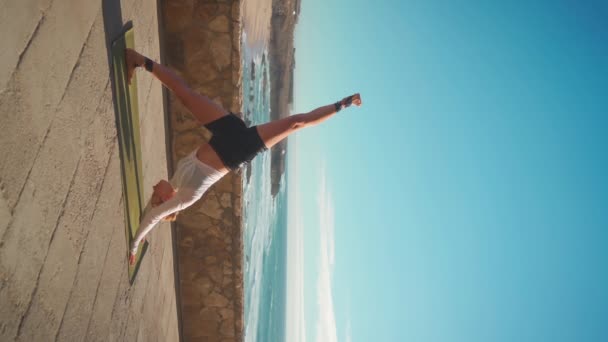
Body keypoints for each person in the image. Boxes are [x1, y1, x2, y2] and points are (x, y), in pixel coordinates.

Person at [125, 48, 362, 265]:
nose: (155, 186)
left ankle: (139, 60)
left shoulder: (175, 181)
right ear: (167, 200)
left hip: (227, 132)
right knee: (294, 123)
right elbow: (155, 216)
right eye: (156, 194)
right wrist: (135, 246)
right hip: (239, 151)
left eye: (153, 193)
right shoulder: (185, 197)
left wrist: (143, 234)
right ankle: (344, 103)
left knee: (186, 95)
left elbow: (152, 213)